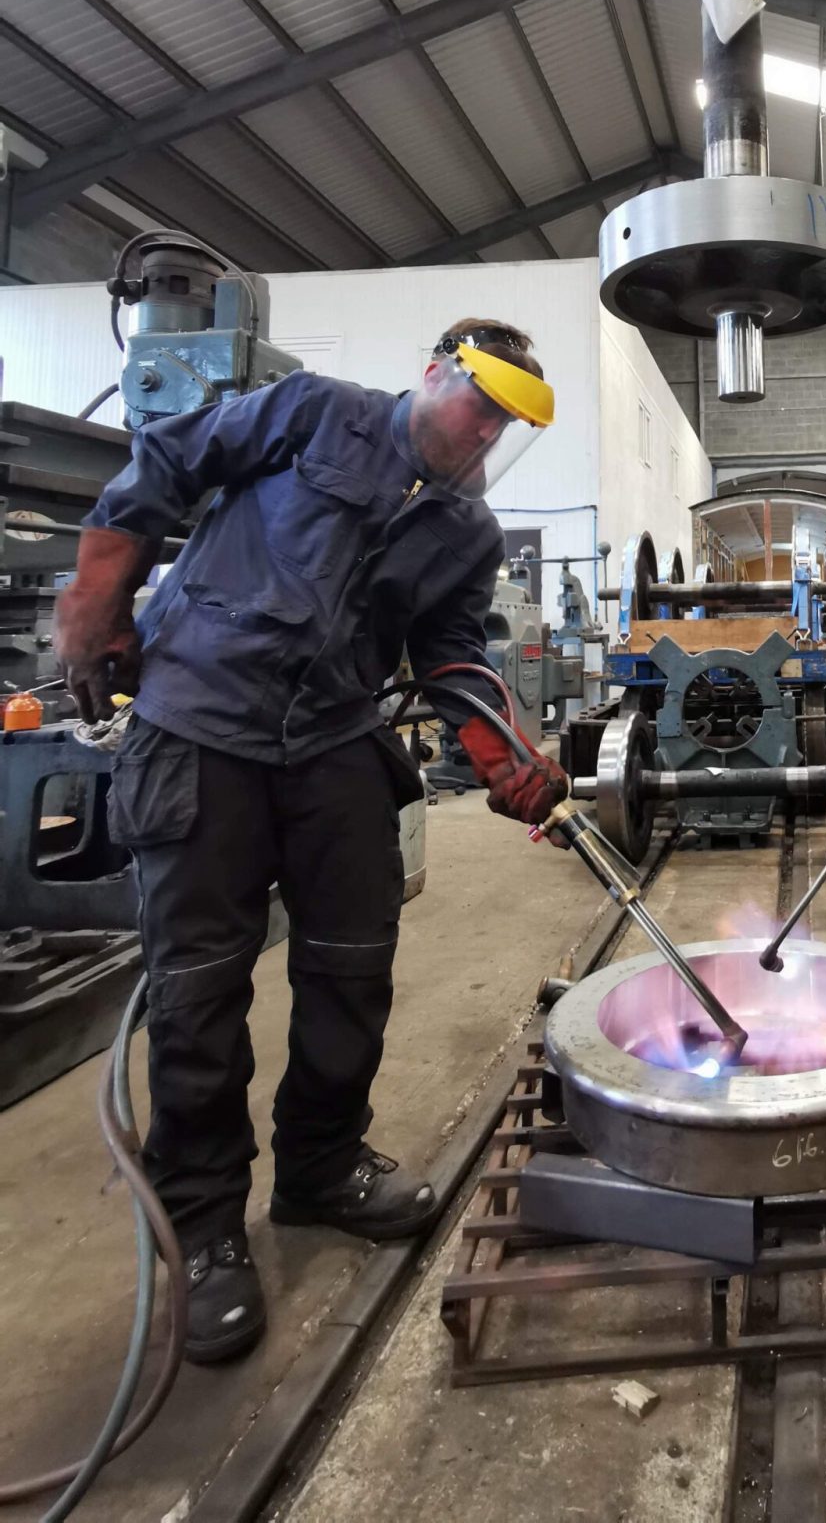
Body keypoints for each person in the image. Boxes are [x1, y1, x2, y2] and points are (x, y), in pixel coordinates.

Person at [54, 321, 569, 1361]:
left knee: (353, 958)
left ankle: (321, 1166)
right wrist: (101, 590)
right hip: (203, 720)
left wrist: (506, 745)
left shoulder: (467, 530)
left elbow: (451, 652)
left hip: (333, 734)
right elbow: (168, 460)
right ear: (435, 373)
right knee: (200, 988)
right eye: (479, 408)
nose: (480, 440)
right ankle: (202, 1225)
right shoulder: (314, 411)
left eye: (503, 429)